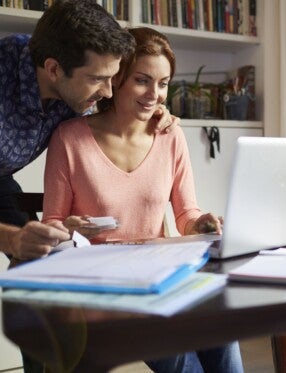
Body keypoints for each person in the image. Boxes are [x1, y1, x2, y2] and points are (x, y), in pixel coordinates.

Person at [41, 26, 243, 373]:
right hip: (102, 284)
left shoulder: (171, 135)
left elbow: (186, 216)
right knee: (179, 350)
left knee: (220, 319)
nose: (155, 95)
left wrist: (202, 224)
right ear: (116, 78)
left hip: (161, 272)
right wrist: (67, 230)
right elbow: (51, 224)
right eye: (142, 80)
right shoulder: (69, 139)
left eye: (163, 83)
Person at [0, 0, 177, 261]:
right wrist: (11, 238)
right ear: (53, 69)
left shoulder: (73, 81)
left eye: (112, 78)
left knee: (36, 254)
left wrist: (150, 110)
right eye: (97, 79)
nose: (107, 91)